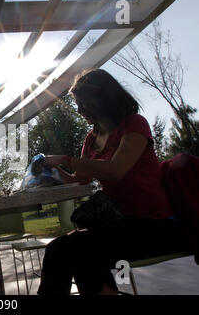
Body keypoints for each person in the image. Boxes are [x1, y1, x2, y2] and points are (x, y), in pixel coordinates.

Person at [37, 69, 191, 295]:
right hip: (118, 223)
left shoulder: (134, 124)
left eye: (83, 104)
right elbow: (80, 181)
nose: (79, 110)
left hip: (154, 224)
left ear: (102, 99)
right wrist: (49, 172)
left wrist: (68, 160)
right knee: (68, 249)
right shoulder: (91, 139)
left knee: (71, 249)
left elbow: (117, 170)